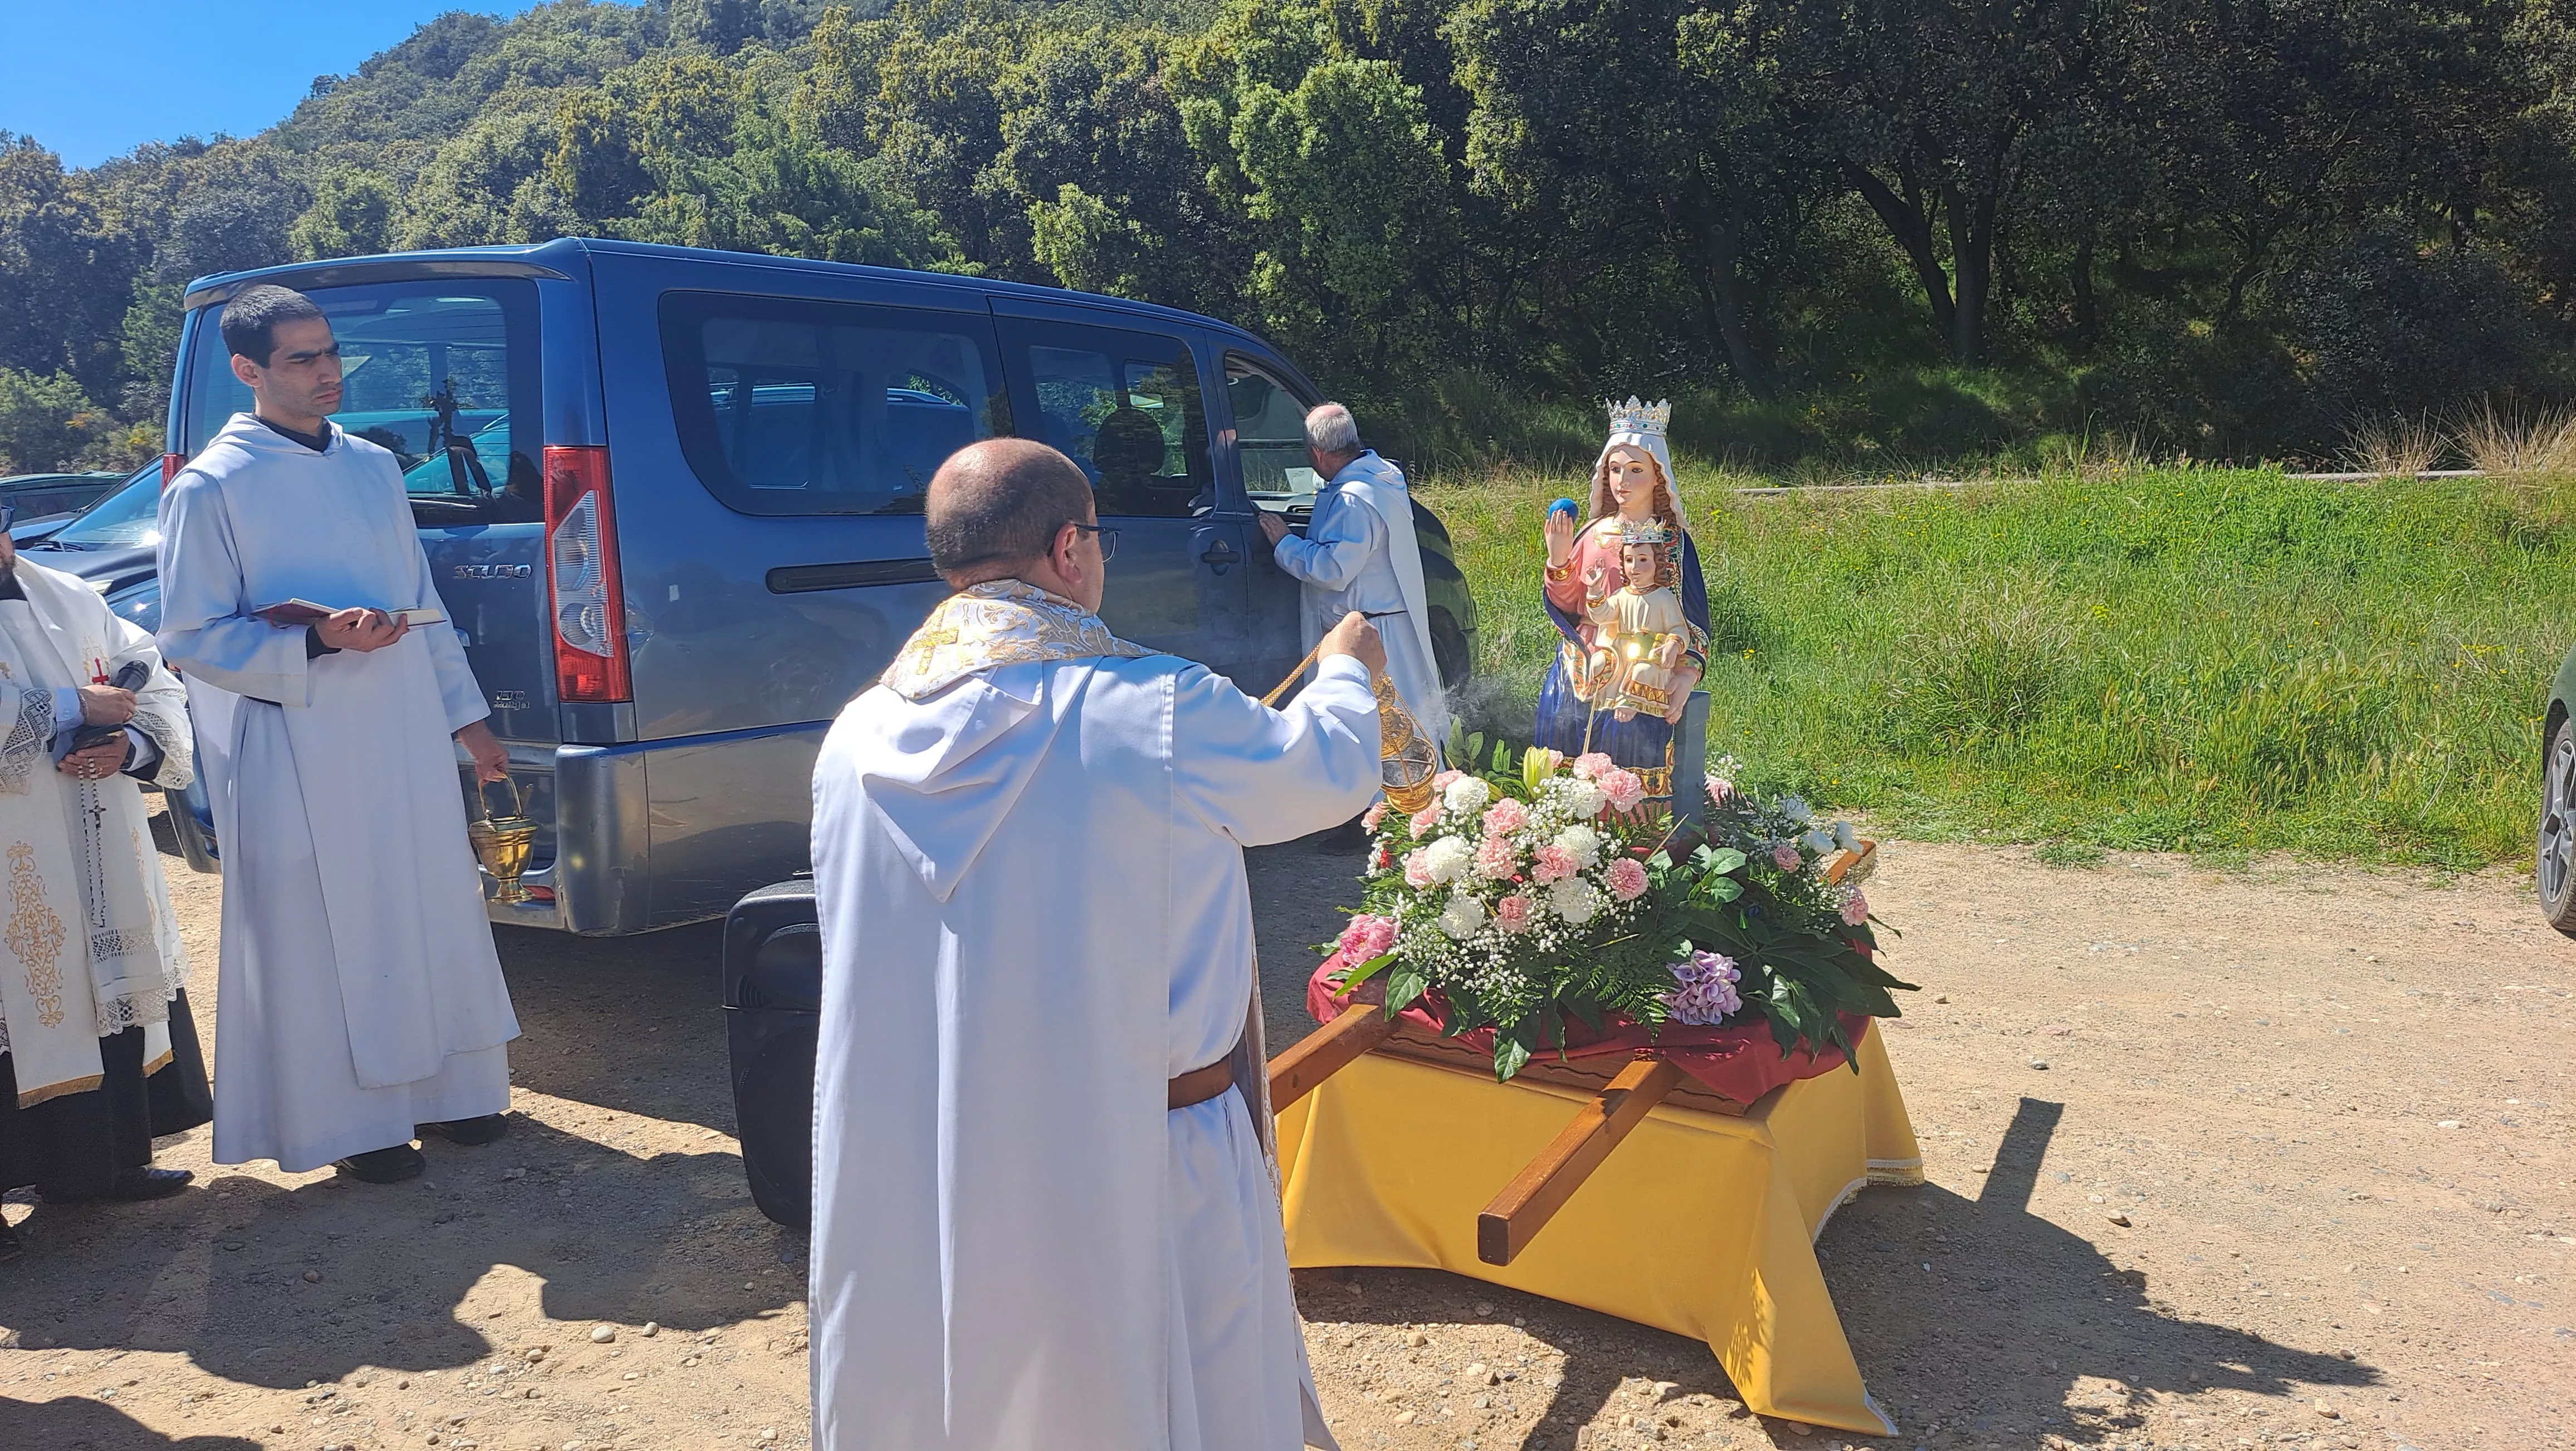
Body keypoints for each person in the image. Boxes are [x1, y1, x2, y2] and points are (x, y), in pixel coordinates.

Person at [808, 437, 1385, 1451]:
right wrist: (1342, 674)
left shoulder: (851, 736)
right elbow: (1323, 773)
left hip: (939, 1161)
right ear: (1070, 549)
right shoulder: (1153, 708)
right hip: (1143, 1161)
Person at [155, 284, 519, 1187]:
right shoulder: (211, 486)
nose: (327, 372)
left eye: (330, 352)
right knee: (330, 929)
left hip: (400, 726)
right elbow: (190, 636)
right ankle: (361, 1121)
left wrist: (468, 720)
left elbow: (423, 602)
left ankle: (454, 1088)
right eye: (302, 359)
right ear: (248, 371)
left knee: (427, 902)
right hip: (301, 741)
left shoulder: (374, 466)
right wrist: (317, 636)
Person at [0, 522, 207, 1262]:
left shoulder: (72, 594)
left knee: (99, 980)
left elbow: (148, 675)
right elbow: (75, 701)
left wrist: (134, 746)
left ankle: (101, 1164)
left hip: (94, 839)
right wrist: (66, 708)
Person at [1535, 398, 1710, 807]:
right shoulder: (1593, 535)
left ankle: (1635, 838)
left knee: (1633, 751)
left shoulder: (1673, 543)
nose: (1623, 481)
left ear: (1657, 477)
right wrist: (1559, 559)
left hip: (1645, 665)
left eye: (1635, 470)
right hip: (1586, 659)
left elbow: (1694, 619)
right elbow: (1569, 603)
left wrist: (1686, 673)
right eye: (1615, 469)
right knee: (1561, 729)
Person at [1257, 402, 1447, 750]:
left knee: (1383, 733)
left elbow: (1333, 570)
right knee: (1400, 727)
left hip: (1369, 635)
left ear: (1317, 453)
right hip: (1383, 623)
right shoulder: (1381, 478)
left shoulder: (1355, 499)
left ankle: (1385, 801)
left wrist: (1285, 543)